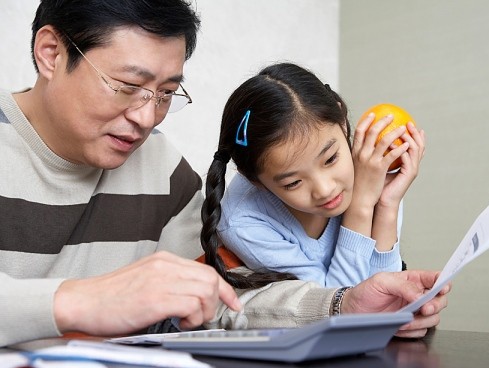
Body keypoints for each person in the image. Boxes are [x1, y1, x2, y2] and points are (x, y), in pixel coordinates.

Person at [0, 0, 449, 347]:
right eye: (128, 87)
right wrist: (82, 301)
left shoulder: (162, 169)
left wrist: (341, 305)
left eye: (165, 93)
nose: (146, 117)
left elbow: (226, 298)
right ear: (51, 53)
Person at [201, 63, 425, 287]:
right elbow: (335, 302)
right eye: (293, 183)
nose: (325, 190)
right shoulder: (244, 223)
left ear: (342, 123)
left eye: (330, 159)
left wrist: (387, 205)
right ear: (255, 181)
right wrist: (361, 207)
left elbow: (386, 293)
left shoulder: (371, 168)